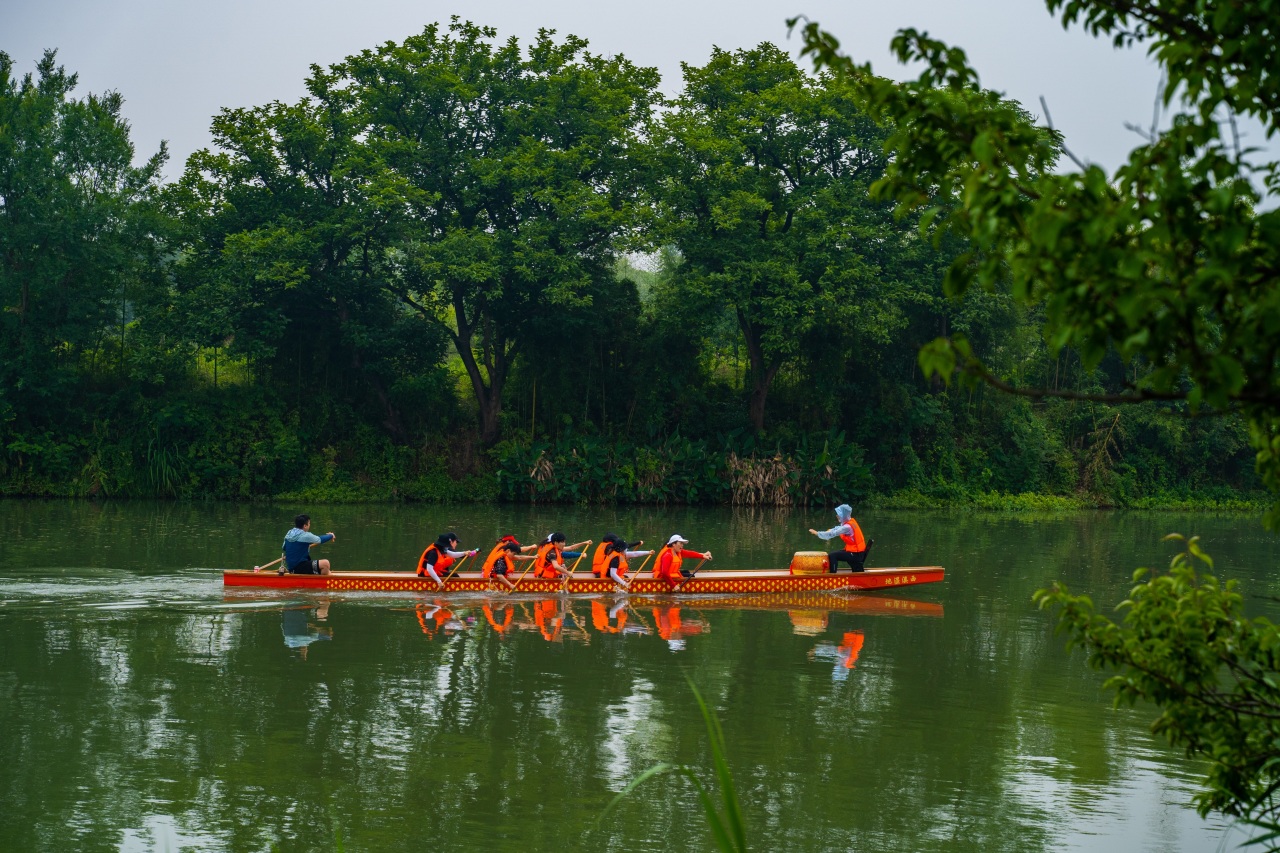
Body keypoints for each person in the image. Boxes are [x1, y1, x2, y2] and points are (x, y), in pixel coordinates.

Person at [808, 503, 868, 573]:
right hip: (856, 552)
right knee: (834, 554)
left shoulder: (847, 527)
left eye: (839, 514)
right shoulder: (850, 522)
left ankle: (833, 575)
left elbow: (833, 533)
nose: (837, 516)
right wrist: (830, 530)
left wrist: (817, 533)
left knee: (833, 555)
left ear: (844, 515)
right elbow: (837, 528)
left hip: (856, 554)